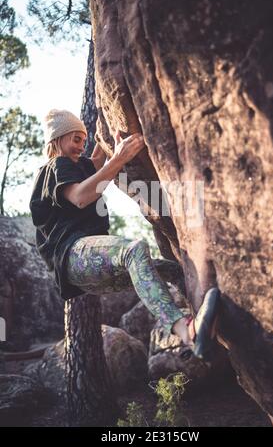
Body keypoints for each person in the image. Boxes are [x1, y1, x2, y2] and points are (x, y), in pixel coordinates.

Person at [29, 109, 219, 361]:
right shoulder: (56, 166)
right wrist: (119, 158)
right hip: (74, 256)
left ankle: (205, 326)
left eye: (83, 141)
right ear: (58, 139)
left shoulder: (77, 168)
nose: (80, 146)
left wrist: (108, 140)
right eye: (75, 139)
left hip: (91, 276)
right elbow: (80, 197)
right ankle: (185, 330)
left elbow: (96, 161)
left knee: (171, 270)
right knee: (134, 250)